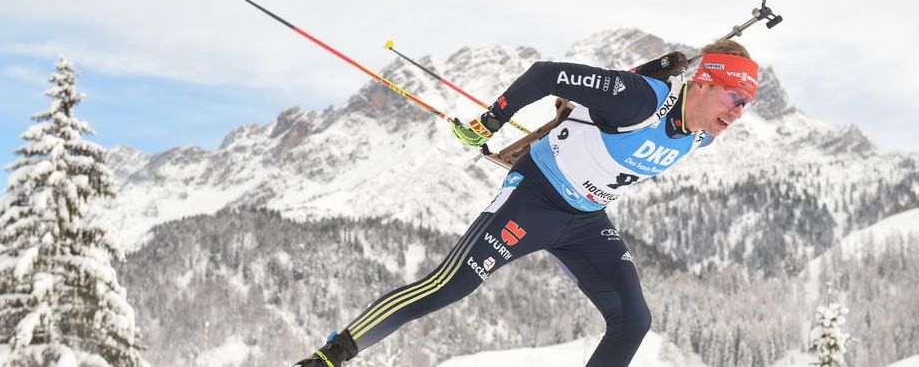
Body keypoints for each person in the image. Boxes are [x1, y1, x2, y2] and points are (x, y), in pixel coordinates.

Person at [294, 39, 760, 367]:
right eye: (735, 97)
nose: (738, 113)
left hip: (585, 220)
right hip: (534, 198)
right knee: (448, 286)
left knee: (633, 319)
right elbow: (547, 76)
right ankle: (332, 356)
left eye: (748, 105)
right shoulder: (639, 102)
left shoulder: (702, 136)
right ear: (703, 83)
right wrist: (491, 120)